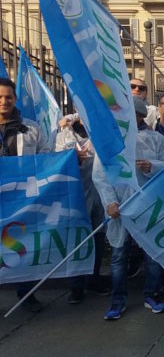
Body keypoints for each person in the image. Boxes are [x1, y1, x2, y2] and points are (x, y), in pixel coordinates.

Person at [93, 97, 164, 320]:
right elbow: (100, 176)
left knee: (152, 253)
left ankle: (153, 294)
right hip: (120, 207)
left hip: (148, 205)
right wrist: (110, 202)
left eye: (131, 114)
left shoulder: (155, 139)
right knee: (119, 255)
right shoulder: (108, 142)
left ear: (139, 116)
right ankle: (117, 301)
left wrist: (152, 167)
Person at [0, 77, 51, 313]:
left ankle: (26, 292)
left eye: (8, 97)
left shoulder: (31, 128)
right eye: (0, 97)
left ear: (15, 99)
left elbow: (47, 158)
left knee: (25, 242)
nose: (4, 101)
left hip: (23, 196)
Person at [56, 114, 109, 303]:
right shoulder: (65, 134)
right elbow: (55, 161)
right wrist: (72, 158)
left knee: (98, 238)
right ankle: (76, 286)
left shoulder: (104, 130)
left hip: (101, 193)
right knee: (77, 239)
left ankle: (94, 278)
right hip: (76, 194)